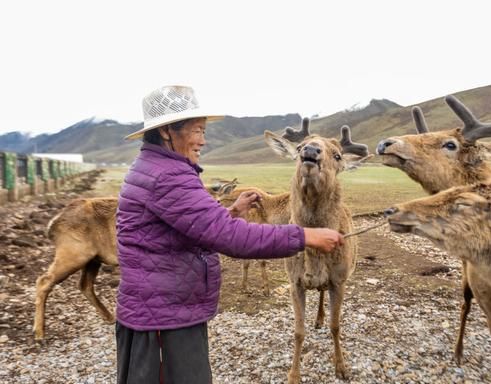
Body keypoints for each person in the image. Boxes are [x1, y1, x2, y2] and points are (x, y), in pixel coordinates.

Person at [115, 85, 343, 384]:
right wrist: (304, 237)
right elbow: (230, 238)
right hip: (162, 319)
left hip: (160, 307)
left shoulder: (155, 167)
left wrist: (231, 211)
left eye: (204, 131)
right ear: (169, 131)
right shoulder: (168, 176)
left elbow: (192, 225)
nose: (203, 140)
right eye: (197, 130)